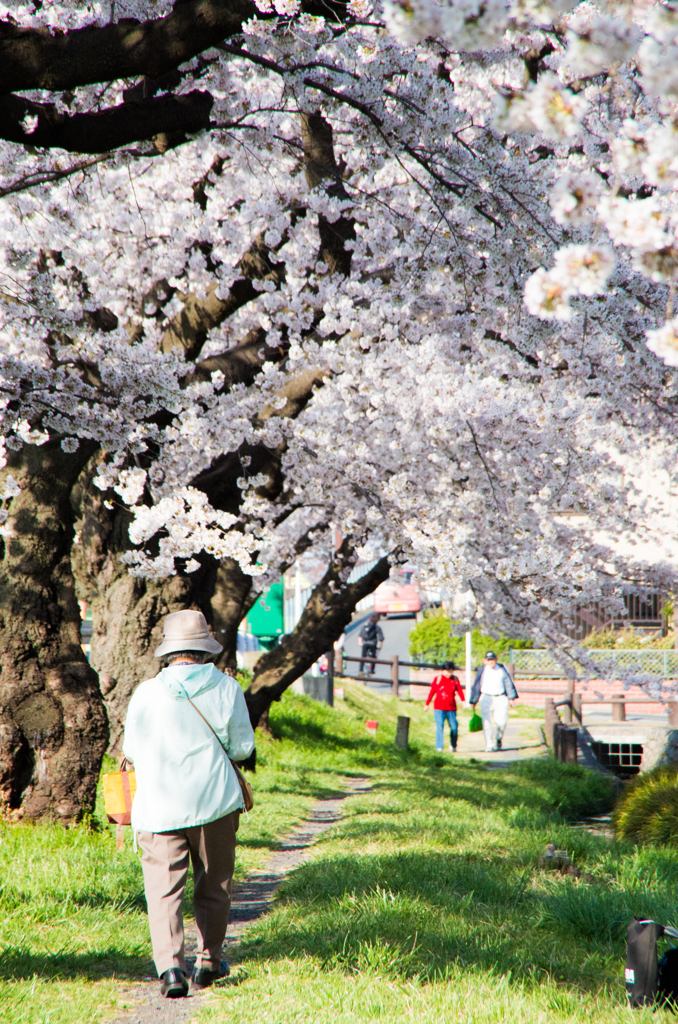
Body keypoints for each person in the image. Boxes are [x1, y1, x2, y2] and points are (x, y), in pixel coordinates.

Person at [122, 610, 255, 999]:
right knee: (214, 885)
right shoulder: (227, 688)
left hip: (159, 806)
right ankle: (209, 962)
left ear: (170, 651)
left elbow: (131, 749)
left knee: (163, 892)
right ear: (204, 649)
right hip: (214, 802)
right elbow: (242, 746)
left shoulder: (147, 692)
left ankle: (171, 971)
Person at [469, 651, 518, 752]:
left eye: (492, 659)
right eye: (488, 660)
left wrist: (511, 698)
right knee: (486, 722)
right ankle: (489, 744)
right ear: (485, 661)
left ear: (496, 660)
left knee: (502, 722)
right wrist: (473, 700)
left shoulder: (502, 669)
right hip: (486, 697)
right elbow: (477, 684)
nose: (491, 662)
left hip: (500, 697)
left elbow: (508, 683)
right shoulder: (482, 670)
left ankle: (499, 737)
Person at [425, 660, 465, 752]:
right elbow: (432, 692)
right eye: (447, 671)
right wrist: (427, 703)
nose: (448, 674)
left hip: (451, 708)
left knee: (454, 727)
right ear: (443, 670)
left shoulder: (454, 679)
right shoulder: (437, 679)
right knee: (440, 727)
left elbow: (459, 690)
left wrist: (463, 701)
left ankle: (453, 744)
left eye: (450, 671)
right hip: (439, 707)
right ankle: (439, 747)